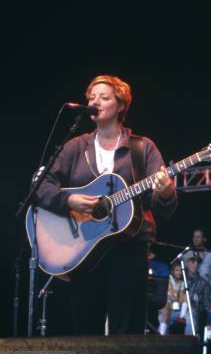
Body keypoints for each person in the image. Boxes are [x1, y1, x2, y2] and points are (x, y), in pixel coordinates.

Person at [35, 75, 177, 335]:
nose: (94, 101)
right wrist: (68, 200)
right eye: (91, 97)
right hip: (84, 253)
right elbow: (41, 188)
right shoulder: (75, 147)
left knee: (127, 332)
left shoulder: (142, 148)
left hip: (129, 251)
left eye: (104, 97)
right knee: (86, 331)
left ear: (120, 105)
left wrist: (165, 192)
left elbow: (162, 208)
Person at [158, 262, 187, 335]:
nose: (179, 272)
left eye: (180, 271)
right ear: (172, 272)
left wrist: (179, 299)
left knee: (185, 295)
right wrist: (174, 298)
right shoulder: (168, 279)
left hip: (175, 305)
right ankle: (161, 335)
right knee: (165, 312)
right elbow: (166, 294)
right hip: (165, 303)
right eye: (177, 270)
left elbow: (180, 297)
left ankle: (181, 317)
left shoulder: (182, 283)